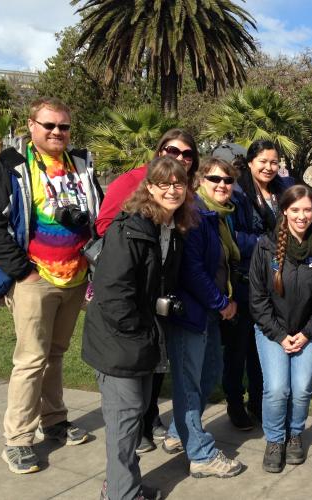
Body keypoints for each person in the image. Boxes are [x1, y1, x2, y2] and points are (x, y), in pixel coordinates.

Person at [0, 97, 101, 474]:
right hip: (34, 278)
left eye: (63, 126)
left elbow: (97, 213)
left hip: (74, 276)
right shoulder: (12, 167)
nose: (56, 132)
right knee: (30, 359)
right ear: (31, 126)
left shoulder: (81, 165)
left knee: (56, 353)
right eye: (48, 125)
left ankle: (55, 420)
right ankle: (17, 440)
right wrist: (21, 271)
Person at [82, 156, 196, 500]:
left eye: (179, 183)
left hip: (141, 337)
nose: (173, 190)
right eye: (165, 183)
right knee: (125, 422)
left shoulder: (169, 228)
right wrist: (142, 332)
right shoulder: (129, 228)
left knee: (131, 419)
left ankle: (121, 485)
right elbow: (113, 294)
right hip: (120, 341)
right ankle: (122, 494)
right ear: (149, 188)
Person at [95, 128, 200, 454]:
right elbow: (107, 227)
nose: (179, 157)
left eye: (187, 154)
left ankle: (149, 417)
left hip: (162, 297)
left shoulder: (184, 199)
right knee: (133, 378)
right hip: (132, 300)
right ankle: (132, 444)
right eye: (172, 150)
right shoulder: (133, 189)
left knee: (154, 368)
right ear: (159, 151)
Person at [162, 158, 244, 478]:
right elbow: (192, 271)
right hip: (191, 311)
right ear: (199, 181)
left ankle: (175, 433)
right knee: (189, 383)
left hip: (206, 311)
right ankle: (200, 453)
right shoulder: (194, 216)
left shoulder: (216, 216)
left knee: (210, 371)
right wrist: (221, 301)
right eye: (215, 179)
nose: (223, 185)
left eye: (228, 180)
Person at [249, 185, 312, 473]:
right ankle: (275, 440)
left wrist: (307, 332)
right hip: (272, 330)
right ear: (284, 211)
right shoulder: (266, 246)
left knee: (300, 391)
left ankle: (295, 434)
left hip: (307, 332)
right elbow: (258, 298)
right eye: (296, 210)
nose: (302, 216)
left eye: (308, 209)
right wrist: (278, 335)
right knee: (277, 389)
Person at [222, 139, 293, 431]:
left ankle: (257, 401)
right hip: (243, 280)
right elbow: (233, 235)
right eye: (262, 161)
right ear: (250, 162)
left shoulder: (282, 192)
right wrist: (271, 244)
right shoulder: (237, 193)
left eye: (274, 162)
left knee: (262, 346)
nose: (268, 167)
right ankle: (235, 403)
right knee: (237, 347)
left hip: (272, 282)